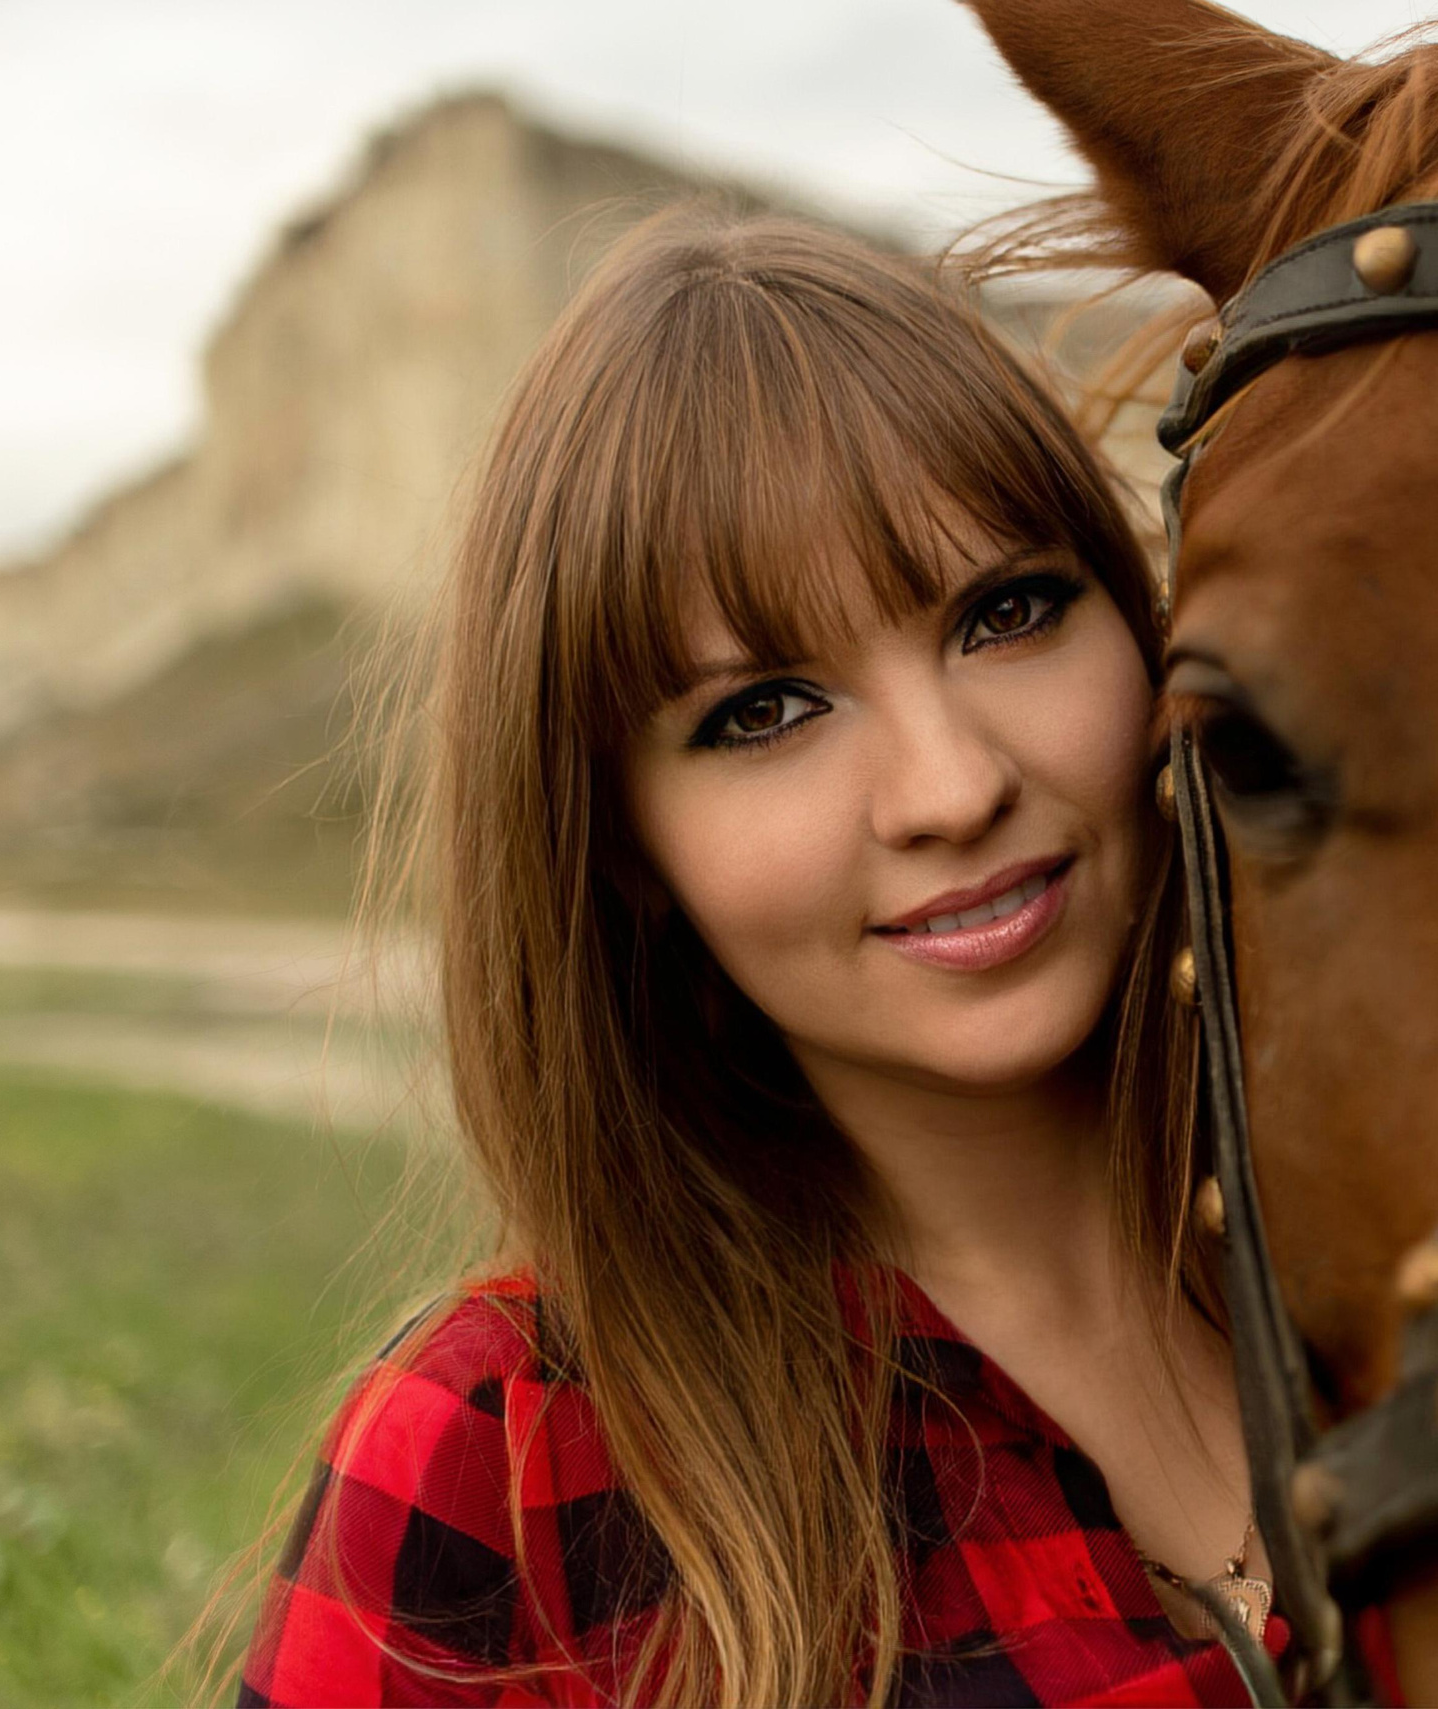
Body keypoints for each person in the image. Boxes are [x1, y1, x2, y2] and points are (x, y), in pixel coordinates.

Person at [233, 210, 1277, 1707]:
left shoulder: (1436, 1248)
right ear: (624, 848)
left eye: (1010, 611)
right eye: (765, 711)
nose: (950, 788)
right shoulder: (503, 1466)